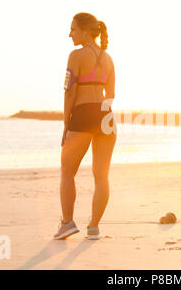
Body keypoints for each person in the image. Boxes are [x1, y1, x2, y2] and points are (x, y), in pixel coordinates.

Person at [53, 12, 117, 240]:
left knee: (67, 172)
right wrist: (103, 117)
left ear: (86, 31)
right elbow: (110, 95)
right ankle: (93, 227)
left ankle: (67, 223)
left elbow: (69, 93)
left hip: (82, 113)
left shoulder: (76, 55)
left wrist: (66, 124)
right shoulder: (108, 59)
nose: (69, 34)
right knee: (102, 176)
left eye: (73, 29)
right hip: (105, 116)